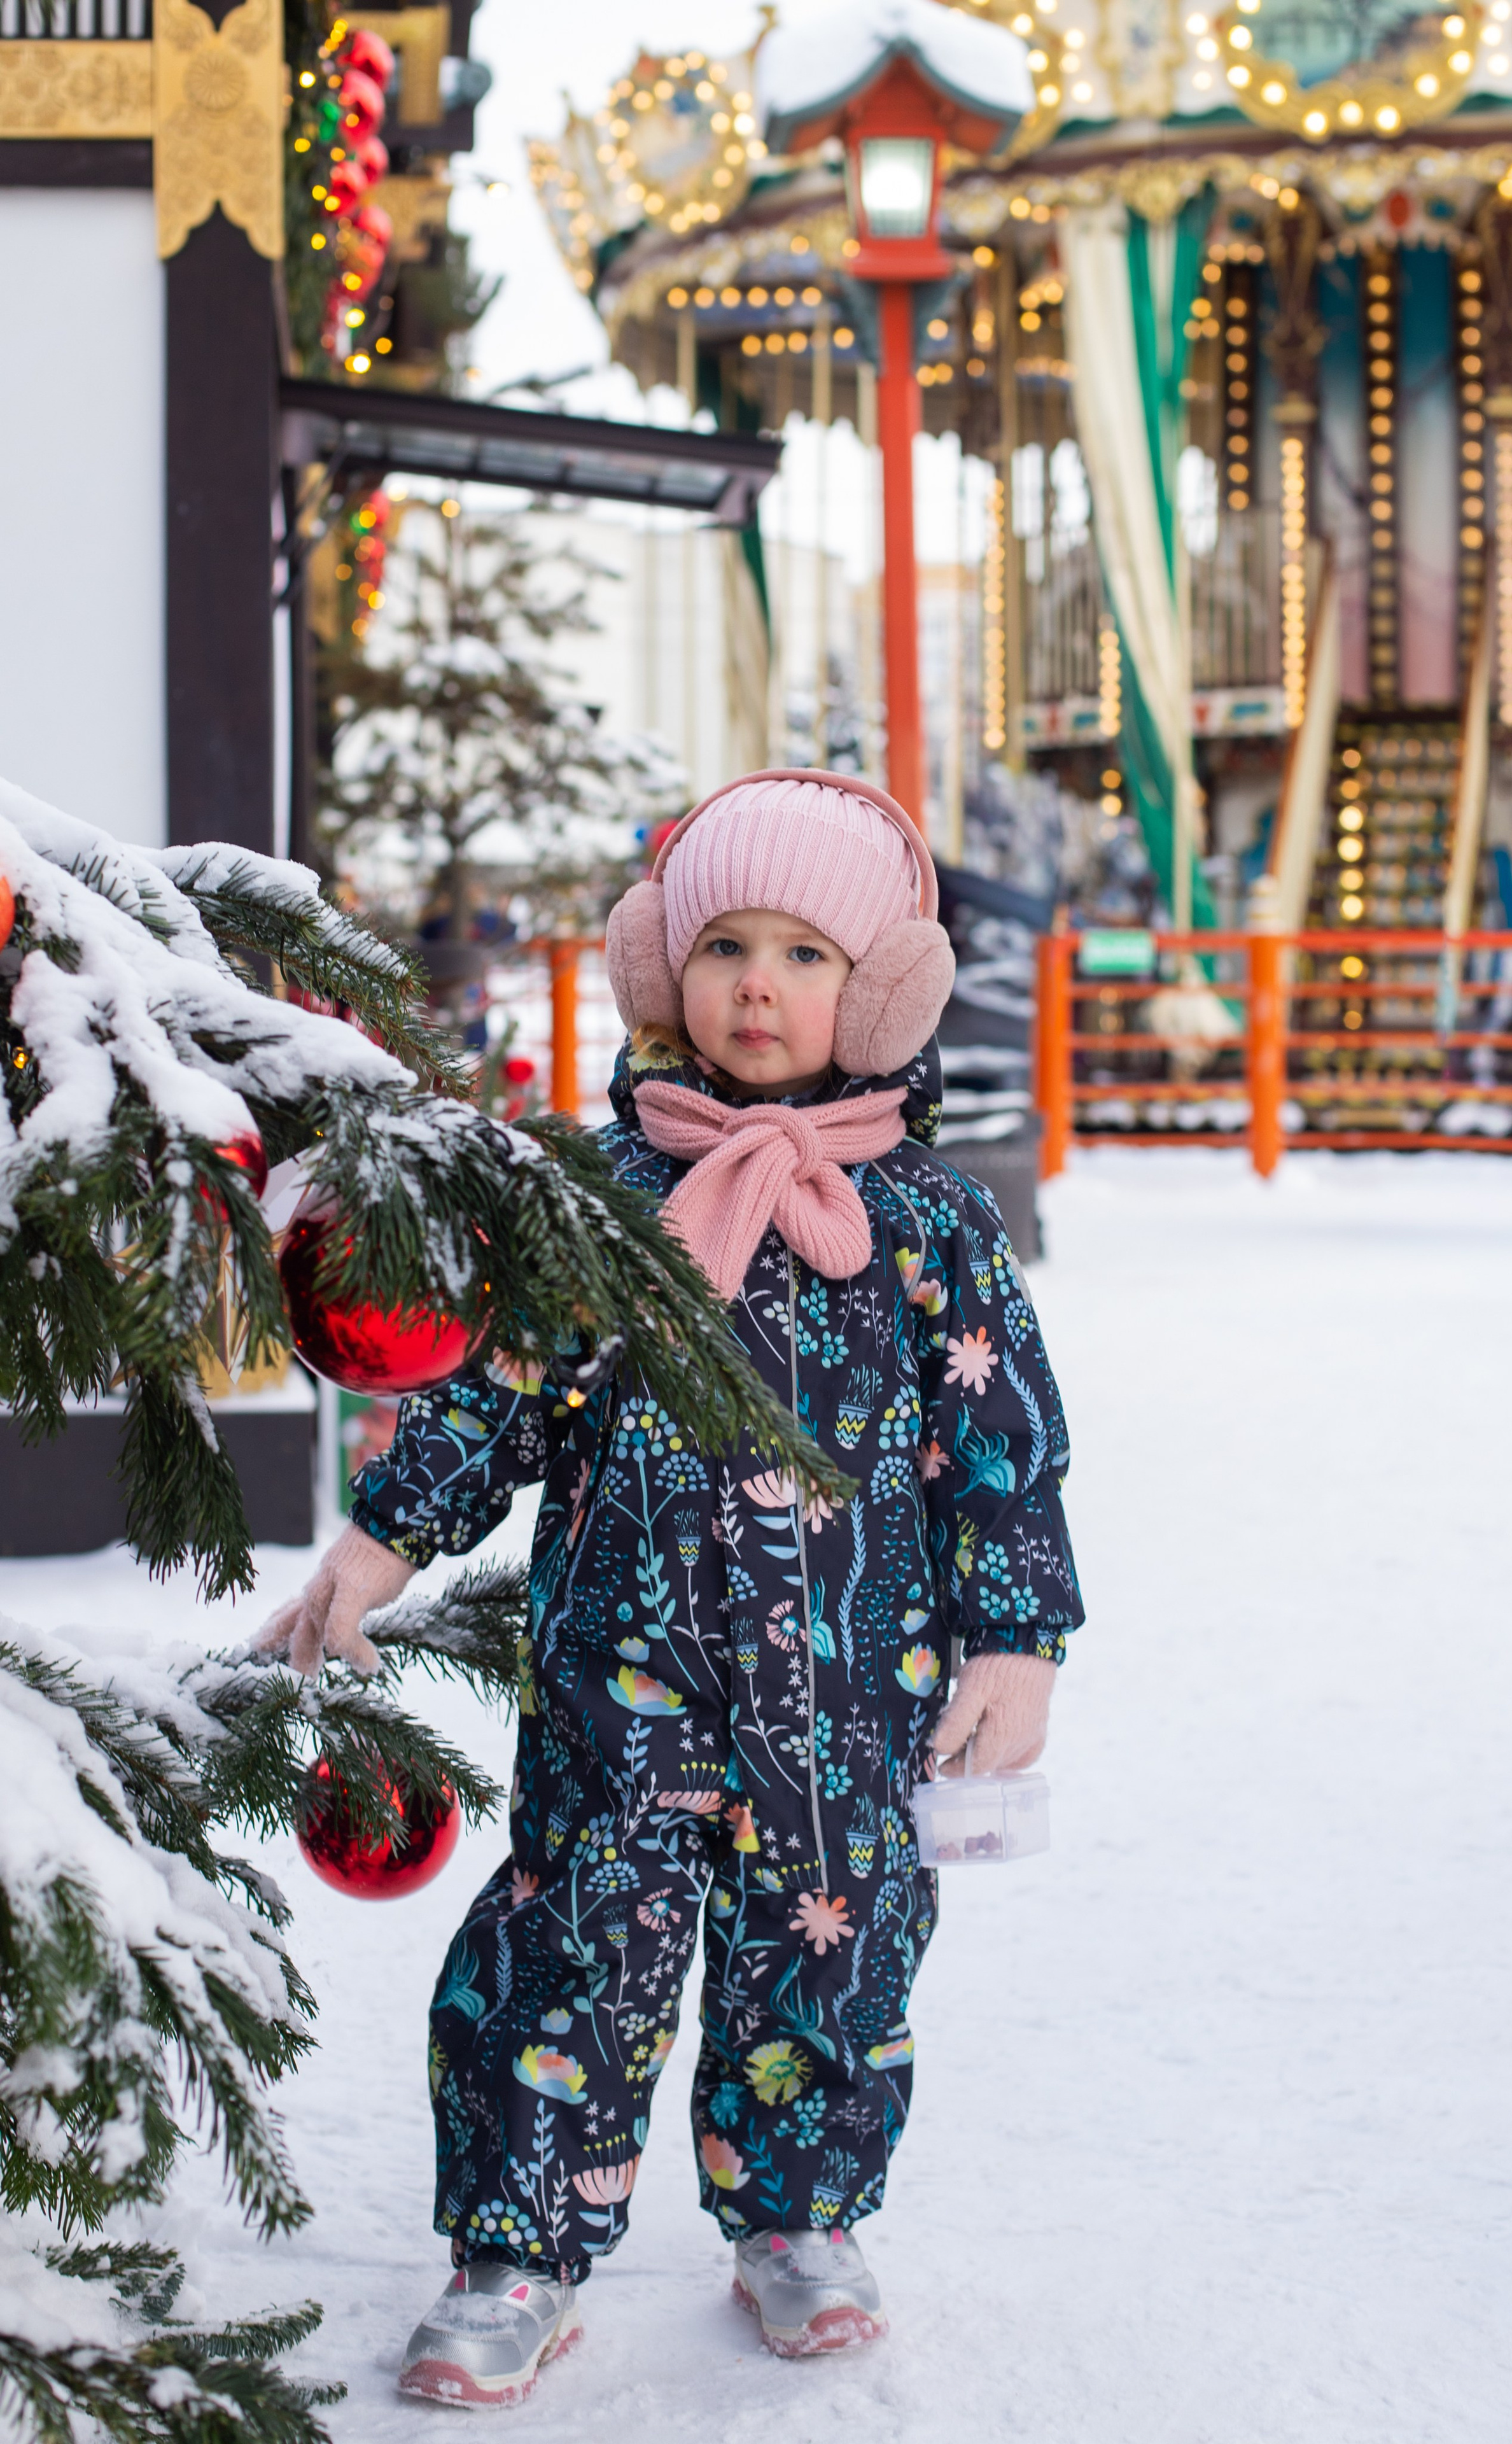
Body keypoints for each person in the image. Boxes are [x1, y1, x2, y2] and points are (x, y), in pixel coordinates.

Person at [255, 771, 1084, 2408]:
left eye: (802, 954)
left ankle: (797, 2218)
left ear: (880, 989)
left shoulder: (931, 1222)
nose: (757, 986)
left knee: (830, 1952)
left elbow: (1001, 1447)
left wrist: (1018, 1639)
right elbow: (490, 1393)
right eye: (722, 948)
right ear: (661, 967)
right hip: (616, 1678)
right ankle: (517, 2247)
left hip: (851, 1693)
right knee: (574, 1939)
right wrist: (382, 1539)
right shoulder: (601, 1200)